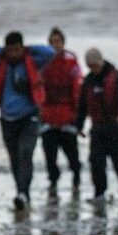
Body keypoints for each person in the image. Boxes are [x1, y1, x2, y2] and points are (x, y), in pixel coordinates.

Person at [0, 31, 54, 210]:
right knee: (14, 158)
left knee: (25, 153)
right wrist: (5, 51)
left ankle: (23, 192)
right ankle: (21, 191)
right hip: (7, 118)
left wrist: (26, 50)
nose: (13, 54)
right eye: (10, 50)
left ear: (22, 48)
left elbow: (49, 52)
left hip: (29, 116)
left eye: (17, 50)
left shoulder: (33, 62)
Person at [77, 48, 118, 201]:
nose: (92, 69)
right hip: (97, 129)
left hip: (115, 127)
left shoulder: (116, 77)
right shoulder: (87, 82)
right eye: (89, 66)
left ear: (100, 62)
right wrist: (79, 126)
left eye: (94, 65)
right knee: (96, 162)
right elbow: (82, 107)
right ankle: (99, 192)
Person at [40, 27, 83, 194]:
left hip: (67, 115)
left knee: (72, 154)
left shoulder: (71, 62)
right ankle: (53, 181)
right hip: (48, 116)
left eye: (58, 41)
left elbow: (77, 89)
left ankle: (76, 177)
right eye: (52, 42)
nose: (55, 45)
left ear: (63, 43)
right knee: (50, 155)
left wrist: (76, 115)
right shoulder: (43, 63)